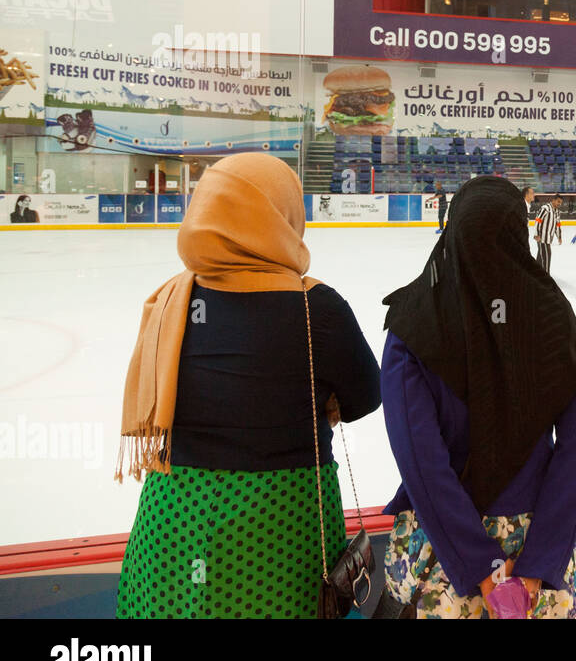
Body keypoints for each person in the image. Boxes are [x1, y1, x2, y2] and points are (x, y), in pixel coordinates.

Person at [114, 153, 381, 618]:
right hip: (282, 523)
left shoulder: (171, 302)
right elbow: (365, 396)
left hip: (176, 521)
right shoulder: (316, 307)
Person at [378, 177, 576, 619]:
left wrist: (485, 570)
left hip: (447, 564)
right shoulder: (553, 318)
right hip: (536, 551)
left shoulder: (414, 324)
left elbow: (420, 459)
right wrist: (538, 565)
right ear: (520, 233)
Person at [535, 195, 562, 273]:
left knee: (541, 257)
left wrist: (559, 236)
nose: (559, 204)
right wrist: (536, 234)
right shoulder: (545, 208)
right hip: (541, 238)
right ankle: (546, 277)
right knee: (547, 257)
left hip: (548, 238)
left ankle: (535, 273)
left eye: (561, 202)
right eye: (558, 201)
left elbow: (558, 224)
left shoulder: (557, 211)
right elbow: (538, 220)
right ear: (553, 200)